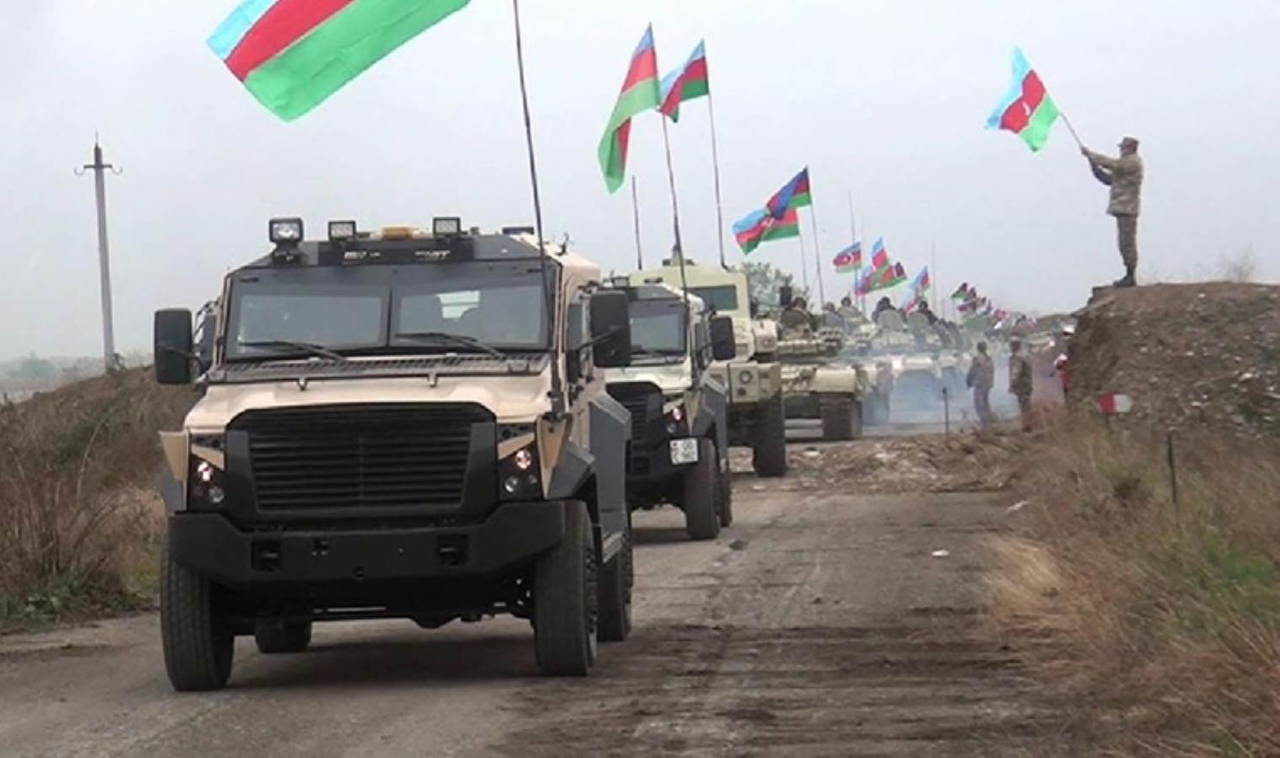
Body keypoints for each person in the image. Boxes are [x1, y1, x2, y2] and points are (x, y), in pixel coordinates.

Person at [1082, 137, 1145, 288]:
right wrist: (1093, 164)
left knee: (1127, 243)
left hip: (1128, 209)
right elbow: (1107, 179)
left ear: (1129, 148)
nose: (1121, 150)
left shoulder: (1132, 162)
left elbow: (1112, 164)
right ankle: (1129, 275)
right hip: (1123, 209)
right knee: (1124, 243)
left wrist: (1091, 154)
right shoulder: (1125, 166)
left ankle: (1130, 276)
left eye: (1122, 147)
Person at [966, 341, 996, 428]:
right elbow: (992, 371)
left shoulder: (977, 359)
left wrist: (969, 381)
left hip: (980, 383)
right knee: (985, 402)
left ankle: (985, 423)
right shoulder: (989, 359)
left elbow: (972, 371)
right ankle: (991, 421)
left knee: (979, 404)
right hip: (987, 384)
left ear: (978, 348)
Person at [1008, 339, 1034, 431]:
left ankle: (1027, 426)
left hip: (1021, 385)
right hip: (1027, 383)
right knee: (1027, 404)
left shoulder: (1016, 358)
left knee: (1023, 405)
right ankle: (1029, 424)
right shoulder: (1025, 355)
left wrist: (1012, 385)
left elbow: (1016, 372)